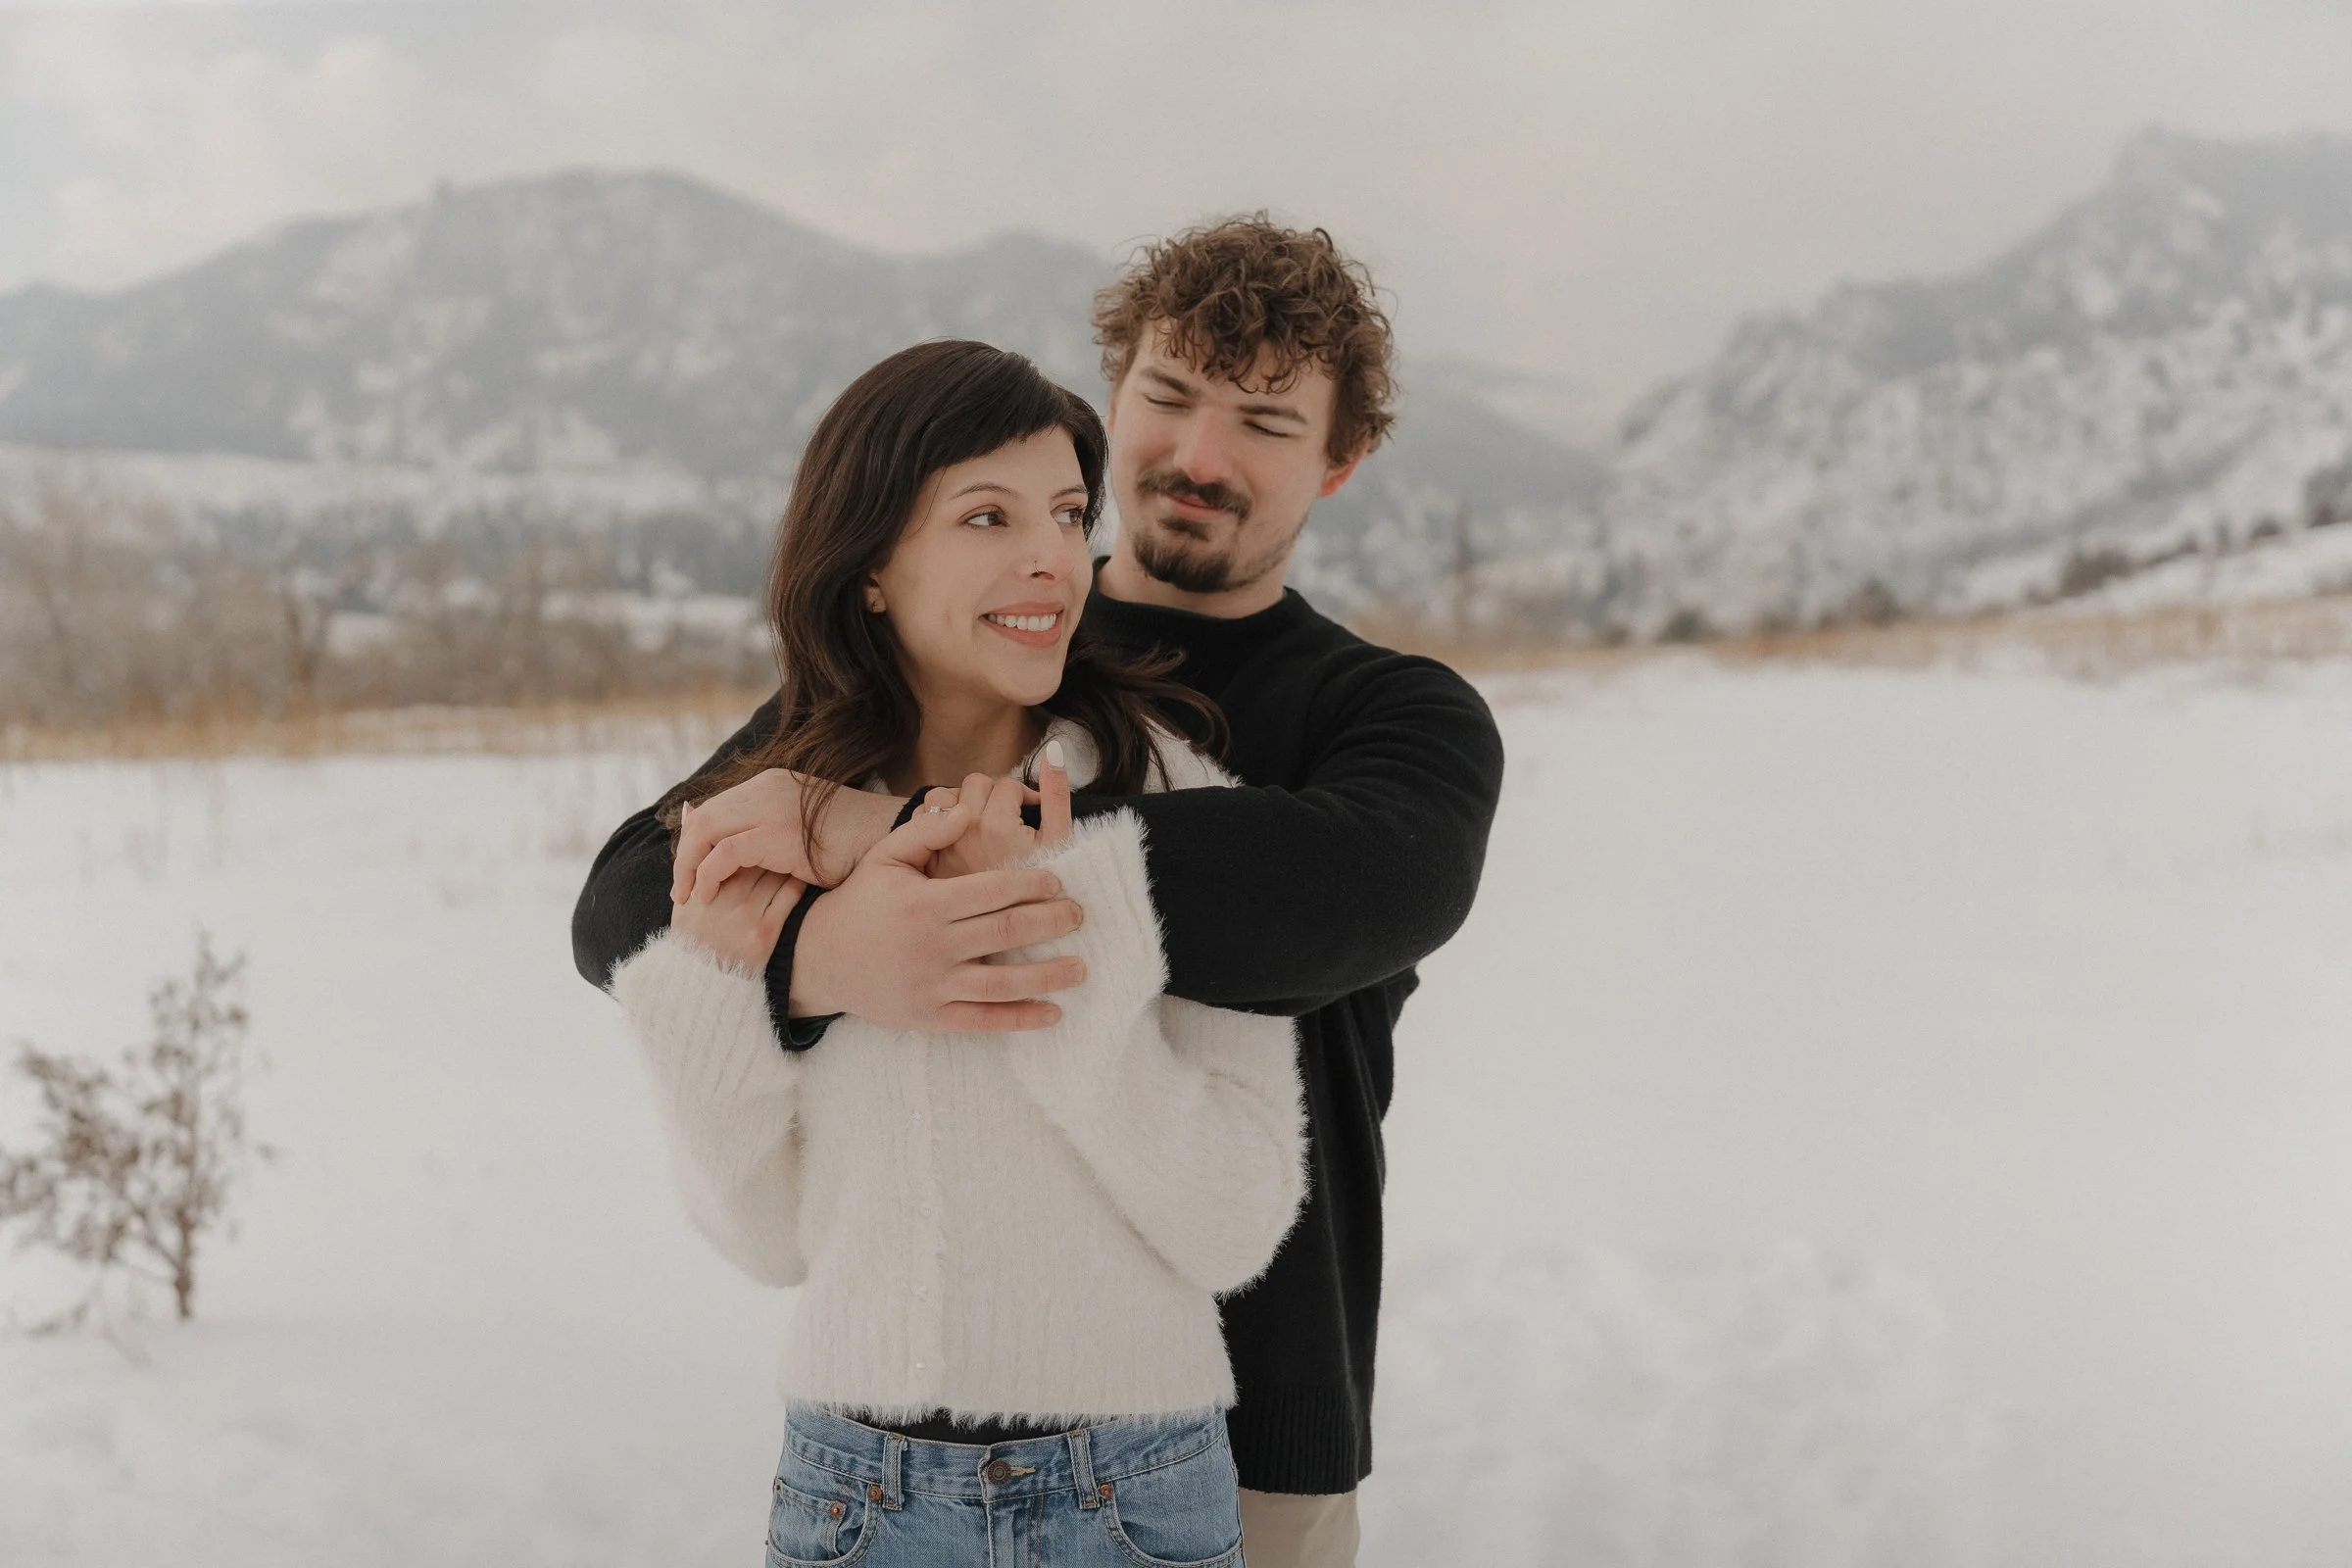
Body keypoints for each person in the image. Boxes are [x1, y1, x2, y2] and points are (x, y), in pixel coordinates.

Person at [574, 217, 1506, 1568]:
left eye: (1262, 419)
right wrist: (826, 952)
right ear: (1113, 398)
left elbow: (1360, 886)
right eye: (1170, 396)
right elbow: (627, 901)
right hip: (904, 1430)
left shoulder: (1384, 711)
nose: (1197, 455)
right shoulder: (966, 648)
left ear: (1340, 462)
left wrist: (870, 833)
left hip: (1260, 1421)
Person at [610, 337, 1308, 1567]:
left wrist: (1049, 933)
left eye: (1067, 513)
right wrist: (720, 984)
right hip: (851, 1494)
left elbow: (1235, 1224)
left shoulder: (1177, 805)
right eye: (987, 515)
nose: (1052, 555)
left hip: (1130, 1492)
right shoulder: (780, 837)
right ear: (871, 566)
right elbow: (765, 1239)